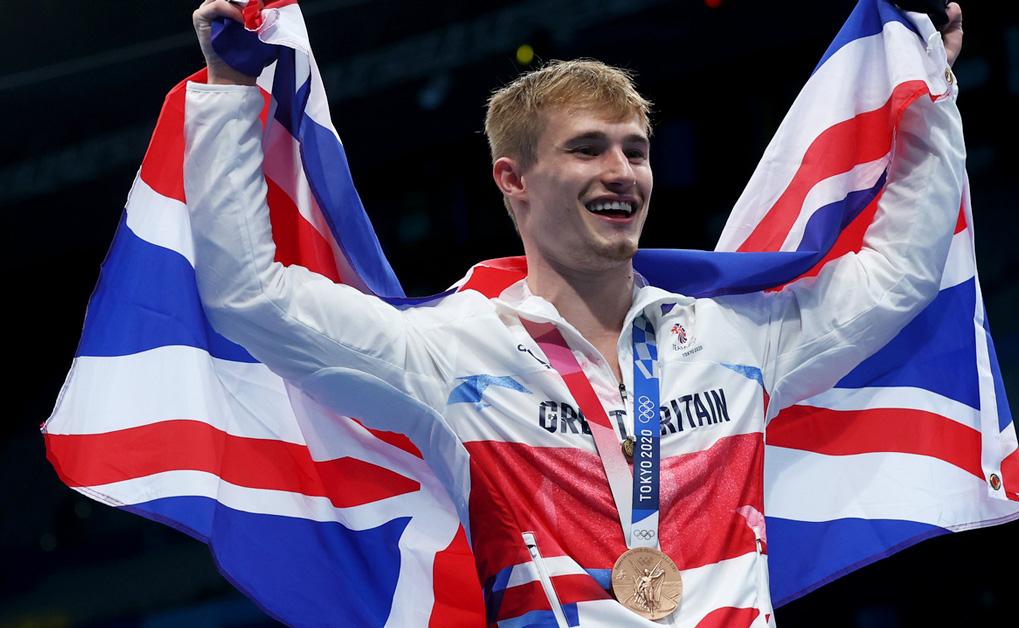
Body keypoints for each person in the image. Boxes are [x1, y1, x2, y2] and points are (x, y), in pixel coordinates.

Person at [187, 1, 965, 625]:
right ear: (513, 179)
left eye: (636, 149)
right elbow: (249, 295)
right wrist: (226, 96)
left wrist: (927, 90)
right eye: (588, 149)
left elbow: (898, 275)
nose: (622, 171)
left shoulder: (737, 339)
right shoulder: (448, 354)